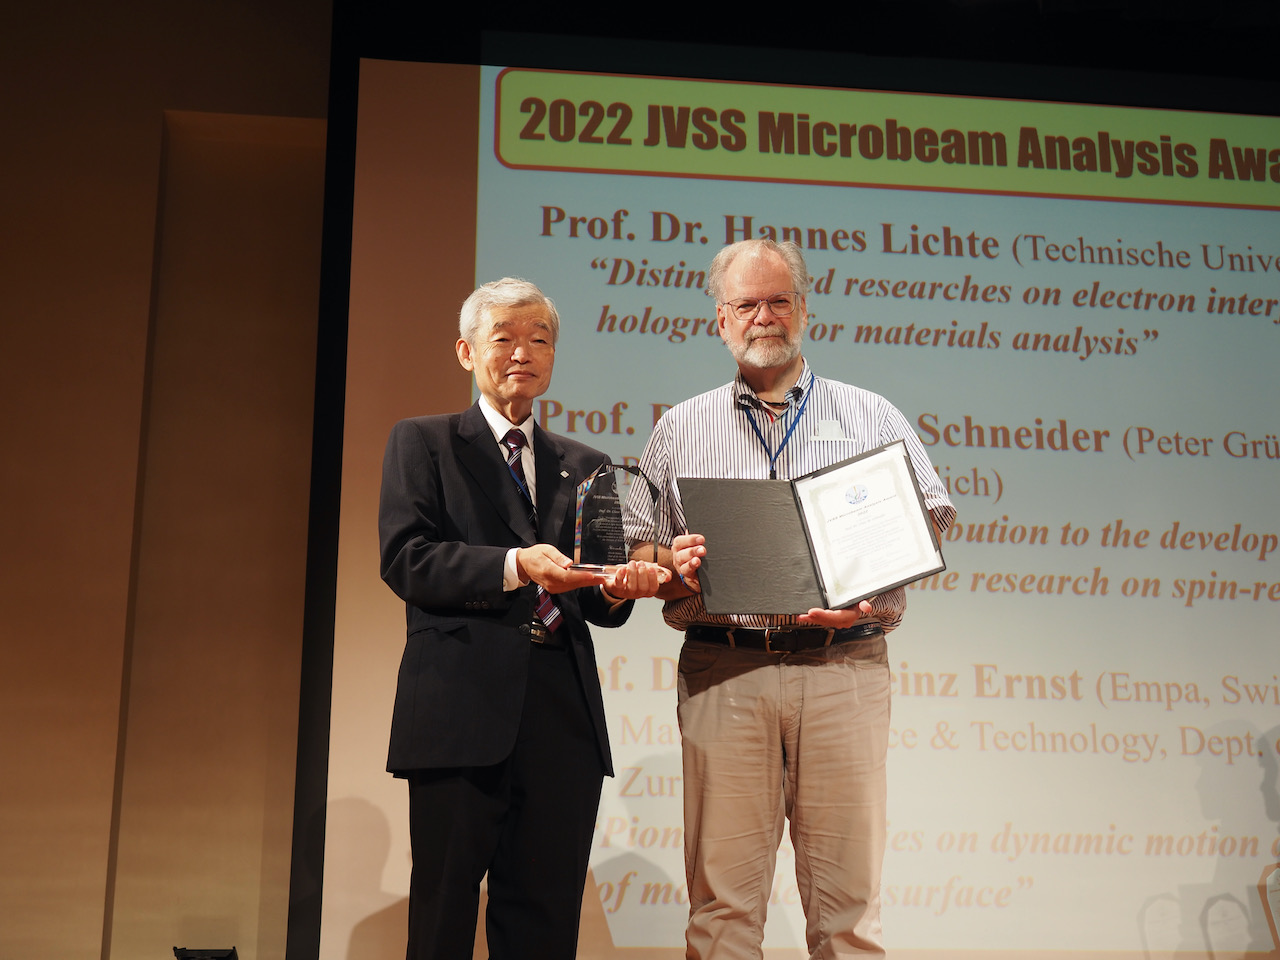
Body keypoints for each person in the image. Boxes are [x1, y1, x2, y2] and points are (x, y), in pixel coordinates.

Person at [626, 239, 956, 959]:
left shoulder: (871, 415)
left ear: (804, 310)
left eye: (779, 300)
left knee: (849, 915)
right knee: (722, 912)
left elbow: (928, 519)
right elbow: (637, 548)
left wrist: (867, 599)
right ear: (720, 319)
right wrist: (672, 564)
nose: (764, 317)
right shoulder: (681, 427)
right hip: (726, 669)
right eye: (746, 304)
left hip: (843, 669)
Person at [379, 277, 661, 960]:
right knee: (443, 919)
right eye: (503, 338)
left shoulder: (586, 465)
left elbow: (597, 599)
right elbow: (407, 560)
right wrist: (515, 565)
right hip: (459, 712)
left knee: (544, 921)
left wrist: (623, 584)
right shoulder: (424, 442)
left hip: (562, 718)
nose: (521, 353)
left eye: (539, 340)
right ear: (466, 351)